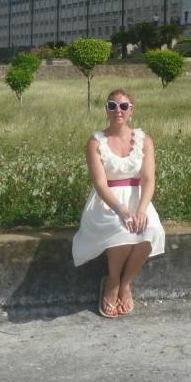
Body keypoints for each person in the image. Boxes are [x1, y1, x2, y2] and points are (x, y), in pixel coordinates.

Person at [71, 88, 165, 317]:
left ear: (132, 110)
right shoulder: (95, 142)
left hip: (137, 198)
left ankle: (125, 283)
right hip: (108, 202)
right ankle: (112, 283)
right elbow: (101, 184)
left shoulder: (145, 140)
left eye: (123, 106)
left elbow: (149, 179)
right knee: (120, 231)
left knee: (149, 231)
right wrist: (122, 210)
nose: (118, 111)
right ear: (106, 110)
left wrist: (141, 209)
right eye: (112, 106)